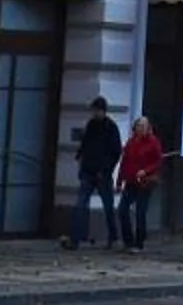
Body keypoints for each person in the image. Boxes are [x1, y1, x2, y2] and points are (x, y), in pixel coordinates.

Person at [65, 97, 122, 249]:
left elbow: (115, 152)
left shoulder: (111, 127)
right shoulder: (91, 125)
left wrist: (105, 170)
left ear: (103, 111)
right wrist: (80, 159)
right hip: (88, 171)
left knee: (108, 206)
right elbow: (86, 144)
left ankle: (113, 237)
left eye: (97, 111)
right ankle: (75, 239)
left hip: (102, 174)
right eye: (93, 110)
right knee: (80, 205)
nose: (94, 113)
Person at [116, 115, 164, 253]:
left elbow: (158, 161)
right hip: (131, 181)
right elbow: (124, 162)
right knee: (122, 210)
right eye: (139, 126)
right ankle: (128, 241)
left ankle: (139, 242)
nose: (141, 128)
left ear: (148, 128)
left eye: (144, 126)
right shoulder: (131, 142)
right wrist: (119, 181)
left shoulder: (153, 142)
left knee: (140, 212)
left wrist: (146, 171)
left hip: (145, 182)